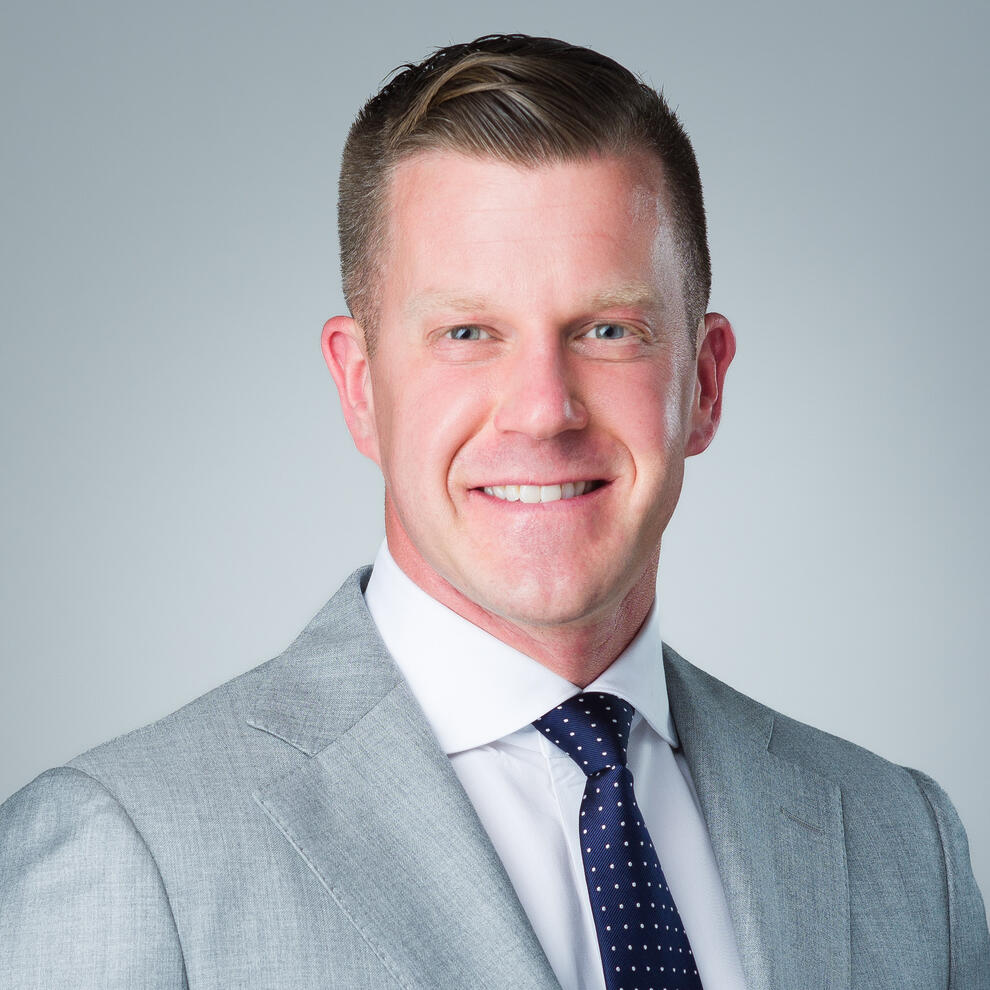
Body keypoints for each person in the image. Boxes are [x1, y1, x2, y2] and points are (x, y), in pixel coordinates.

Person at [1, 33, 987, 990]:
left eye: (609, 329)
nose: (544, 410)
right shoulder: (132, 852)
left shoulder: (903, 843)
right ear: (359, 389)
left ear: (708, 381)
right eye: (468, 331)